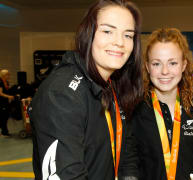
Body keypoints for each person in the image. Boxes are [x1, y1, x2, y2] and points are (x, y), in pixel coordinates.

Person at [30, 0, 142, 179]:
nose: (120, 42)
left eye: (128, 35)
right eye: (107, 31)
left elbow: (125, 149)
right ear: (88, 33)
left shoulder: (112, 85)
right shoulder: (62, 94)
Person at [132, 28, 193, 180]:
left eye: (173, 63)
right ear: (148, 67)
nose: (164, 71)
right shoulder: (137, 108)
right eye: (157, 64)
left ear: (183, 65)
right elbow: (130, 160)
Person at [0, 69, 14, 137]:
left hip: (6, 102)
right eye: (8, 74)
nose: (9, 76)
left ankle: (4, 131)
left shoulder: (7, 82)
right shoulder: (0, 82)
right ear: (4, 75)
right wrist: (8, 96)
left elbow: (7, 91)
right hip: (1, 102)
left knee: (6, 116)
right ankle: (4, 132)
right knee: (3, 117)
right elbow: (0, 93)